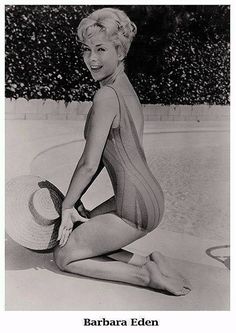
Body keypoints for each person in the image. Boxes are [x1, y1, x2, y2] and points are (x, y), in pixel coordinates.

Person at [53, 7, 191, 296]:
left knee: (63, 255)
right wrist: (77, 203)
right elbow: (106, 157)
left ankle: (145, 276)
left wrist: (67, 206)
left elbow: (89, 164)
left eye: (101, 49)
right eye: (86, 50)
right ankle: (150, 260)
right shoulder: (125, 88)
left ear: (120, 51)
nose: (91, 58)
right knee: (85, 226)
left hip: (132, 208)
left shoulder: (106, 95)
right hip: (148, 197)